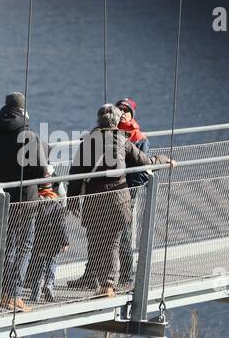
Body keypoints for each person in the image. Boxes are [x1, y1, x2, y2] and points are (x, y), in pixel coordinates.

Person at [66, 104, 172, 298]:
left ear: (99, 121)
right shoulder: (123, 140)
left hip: (94, 199)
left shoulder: (89, 141)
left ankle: (99, 282)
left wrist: (72, 201)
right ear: (116, 122)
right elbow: (145, 162)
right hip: (119, 199)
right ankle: (108, 285)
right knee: (113, 243)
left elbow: (76, 174)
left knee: (96, 241)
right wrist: (163, 159)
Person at [0, 91, 50, 312]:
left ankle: (2, 293)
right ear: (24, 109)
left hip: (0, 198)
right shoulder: (29, 135)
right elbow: (40, 171)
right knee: (24, 246)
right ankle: (14, 295)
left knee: (6, 247)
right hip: (26, 201)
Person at [115, 98, 150, 284]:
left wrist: (131, 187)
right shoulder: (112, 132)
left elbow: (143, 171)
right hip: (110, 190)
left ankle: (127, 273)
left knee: (124, 232)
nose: (122, 112)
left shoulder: (139, 138)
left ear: (131, 114)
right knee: (104, 231)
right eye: (119, 109)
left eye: (125, 110)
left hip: (128, 190)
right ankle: (96, 273)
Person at [23, 183, 70, 303]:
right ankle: (49, 285)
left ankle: (35, 292)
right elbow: (61, 226)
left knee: (38, 267)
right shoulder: (57, 207)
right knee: (51, 265)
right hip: (53, 243)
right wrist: (65, 242)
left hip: (38, 243)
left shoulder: (35, 206)